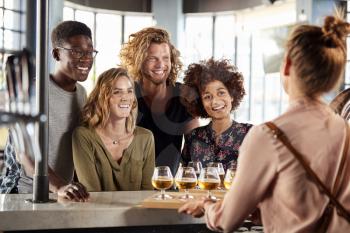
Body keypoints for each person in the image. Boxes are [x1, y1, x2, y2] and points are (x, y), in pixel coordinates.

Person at [179, 15, 350, 232]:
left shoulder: (267, 135)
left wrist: (206, 204)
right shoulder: (345, 130)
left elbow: (226, 220)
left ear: (287, 66)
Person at [0, 20, 94, 201]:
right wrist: (60, 186)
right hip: (22, 192)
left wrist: (68, 186)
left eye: (90, 52)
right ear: (56, 53)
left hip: (58, 193)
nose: (85, 58)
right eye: (76, 51)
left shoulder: (82, 94)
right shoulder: (34, 90)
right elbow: (25, 155)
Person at [119, 27, 199, 175]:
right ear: (139, 61)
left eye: (165, 58)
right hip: (128, 187)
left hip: (167, 187)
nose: (160, 65)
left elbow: (194, 150)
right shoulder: (125, 94)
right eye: (152, 58)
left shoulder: (183, 97)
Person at [72, 67, 155, 191]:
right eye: (117, 92)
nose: (125, 97)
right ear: (102, 98)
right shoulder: (83, 136)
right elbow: (92, 194)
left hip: (137, 211)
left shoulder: (145, 137)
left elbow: (147, 193)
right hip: (97, 210)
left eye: (129, 91)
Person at [180, 58, 252, 170]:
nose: (215, 101)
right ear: (200, 102)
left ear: (232, 95)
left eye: (221, 93)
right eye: (207, 97)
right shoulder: (193, 137)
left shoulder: (250, 134)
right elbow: (186, 176)